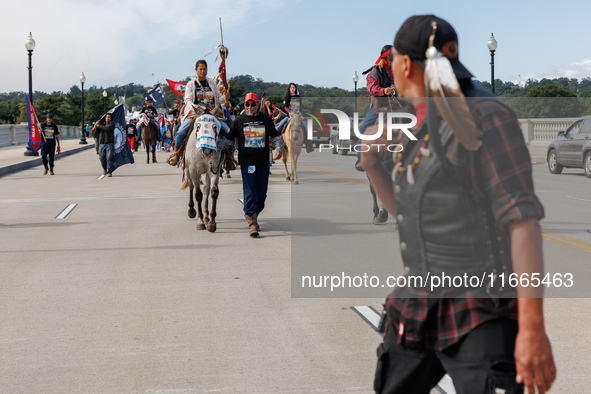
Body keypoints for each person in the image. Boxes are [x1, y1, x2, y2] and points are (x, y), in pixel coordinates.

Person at [362, 15, 556, 394]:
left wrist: (533, 330)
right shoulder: (420, 122)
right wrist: (371, 163)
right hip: (418, 304)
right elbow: (409, 215)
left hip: (479, 311)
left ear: (402, 65)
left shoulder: (485, 117)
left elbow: (523, 223)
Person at [226, 93, 283, 237]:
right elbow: (228, 139)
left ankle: (253, 214)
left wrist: (279, 149)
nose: (250, 107)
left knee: (261, 195)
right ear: (244, 106)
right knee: (250, 191)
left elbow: (276, 136)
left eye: (253, 104)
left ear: (258, 105)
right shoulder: (239, 120)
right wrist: (214, 148)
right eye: (247, 104)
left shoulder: (265, 119)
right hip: (247, 163)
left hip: (263, 162)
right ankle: (252, 222)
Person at [167, 59, 230, 166]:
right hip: (195, 114)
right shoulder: (191, 84)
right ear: (196, 70)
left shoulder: (212, 84)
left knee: (228, 132)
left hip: (212, 114)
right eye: (200, 69)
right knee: (181, 132)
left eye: (204, 69)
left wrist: (225, 97)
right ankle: (177, 153)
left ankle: (229, 157)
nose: (203, 71)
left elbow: (219, 99)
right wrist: (194, 106)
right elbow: (187, 100)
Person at [355, 45, 396, 171]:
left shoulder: (397, 69)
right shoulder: (375, 72)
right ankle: (361, 157)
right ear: (386, 58)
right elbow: (372, 89)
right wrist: (384, 90)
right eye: (392, 57)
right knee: (365, 126)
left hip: (397, 103)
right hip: (379, 105)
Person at [275, 83, 314, 153]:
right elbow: (285, 107)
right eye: (291, 88)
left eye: (294, 88)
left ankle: (309, 144)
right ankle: (274, 143)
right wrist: (291, 113)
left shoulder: (298, 97)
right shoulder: (287, 97)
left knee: (307, 128)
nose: (293, 89)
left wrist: (301, 115)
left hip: (298, 116)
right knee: (279, 127)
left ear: (295, 89)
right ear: (289, 89)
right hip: (289, 116)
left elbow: (301, 107)